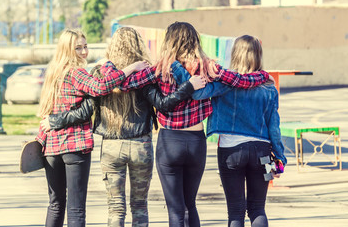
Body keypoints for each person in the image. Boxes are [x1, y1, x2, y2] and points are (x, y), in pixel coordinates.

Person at [104, 22, 271, 227]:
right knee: (190, 205)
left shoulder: (160, 68)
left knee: (176, 210)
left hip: (169, 142)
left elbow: (124, 84)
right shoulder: (207, 67)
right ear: (195, 40)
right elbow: (240, 80)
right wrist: (262, 75)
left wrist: (113, 65)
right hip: (195, 142)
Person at [39, 26, 207, 227]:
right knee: (139, 206)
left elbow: (88, 107)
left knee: (116, 208)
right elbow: (160, 103)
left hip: (111, 146)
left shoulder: (101, 73)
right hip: (141, 145)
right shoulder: (145, 72)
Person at [35, 28, 148, 227]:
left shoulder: (52, 73)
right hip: (74, 146)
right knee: (76, 208)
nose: (84, 52)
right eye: (78, 48)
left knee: (55, 204)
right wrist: (130, 68)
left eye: (85, 46)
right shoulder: (76, 73)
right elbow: (101, 87)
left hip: (51, 147)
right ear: (67, 50)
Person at [172, 35, 287, 227]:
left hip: (231, 152)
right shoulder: (269, 86)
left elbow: (197, 92)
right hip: (263, 153)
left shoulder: (225, 83)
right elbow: (274, 126)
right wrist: (281, 157)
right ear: (258, 56)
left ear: (234, 54)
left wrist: (178, 68)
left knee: (235, 211)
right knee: (258, 208)